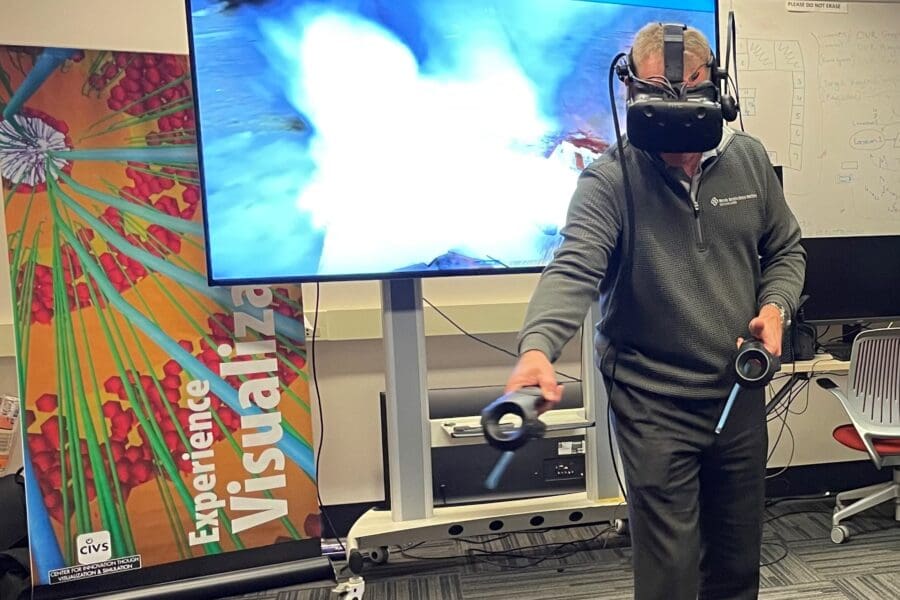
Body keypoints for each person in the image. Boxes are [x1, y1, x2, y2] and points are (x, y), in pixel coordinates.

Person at [505, 23, 806, 600]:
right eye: (656, 96)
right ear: (631, 96)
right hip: (653, 404)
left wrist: (775, 306)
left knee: (737, 567)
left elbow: (786, 249)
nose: (675, 114)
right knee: (669, 576)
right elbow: (573, 268)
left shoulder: (748, 161)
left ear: (719, 93)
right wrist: (538, 348)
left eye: (690, 94)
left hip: (737, 394)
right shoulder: (609, 181)